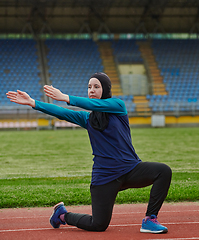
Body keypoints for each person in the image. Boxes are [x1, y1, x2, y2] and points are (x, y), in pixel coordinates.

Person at [6, 72, 172, 234]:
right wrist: (33, 102)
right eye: (89, 87)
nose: (91, 90)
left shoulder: (118, 106)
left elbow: (95, 105)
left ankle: (150, 220)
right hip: (105, 176)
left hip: (130, 169)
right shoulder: (87, 119)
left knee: (163, 171)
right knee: (98, 225)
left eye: (96, 86)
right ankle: (62, 215)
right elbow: (62, 113)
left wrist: (66, 97)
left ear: (105, 90)